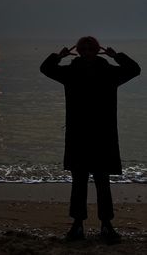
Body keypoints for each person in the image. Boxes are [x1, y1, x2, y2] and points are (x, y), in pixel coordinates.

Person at [40, 36, 141, 243]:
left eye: (90, 47)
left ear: (97, 50)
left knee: (102, 183)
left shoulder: (109, 72)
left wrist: (117, 56)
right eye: (83, 48)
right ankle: (78, 226)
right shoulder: (70, 72)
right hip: (79, 136)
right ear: (78, 51)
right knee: (79, 183)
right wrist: (58, 56)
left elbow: (134, 69)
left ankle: (106, 225)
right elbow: (46, 68)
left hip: (102, 136)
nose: (86, 50)